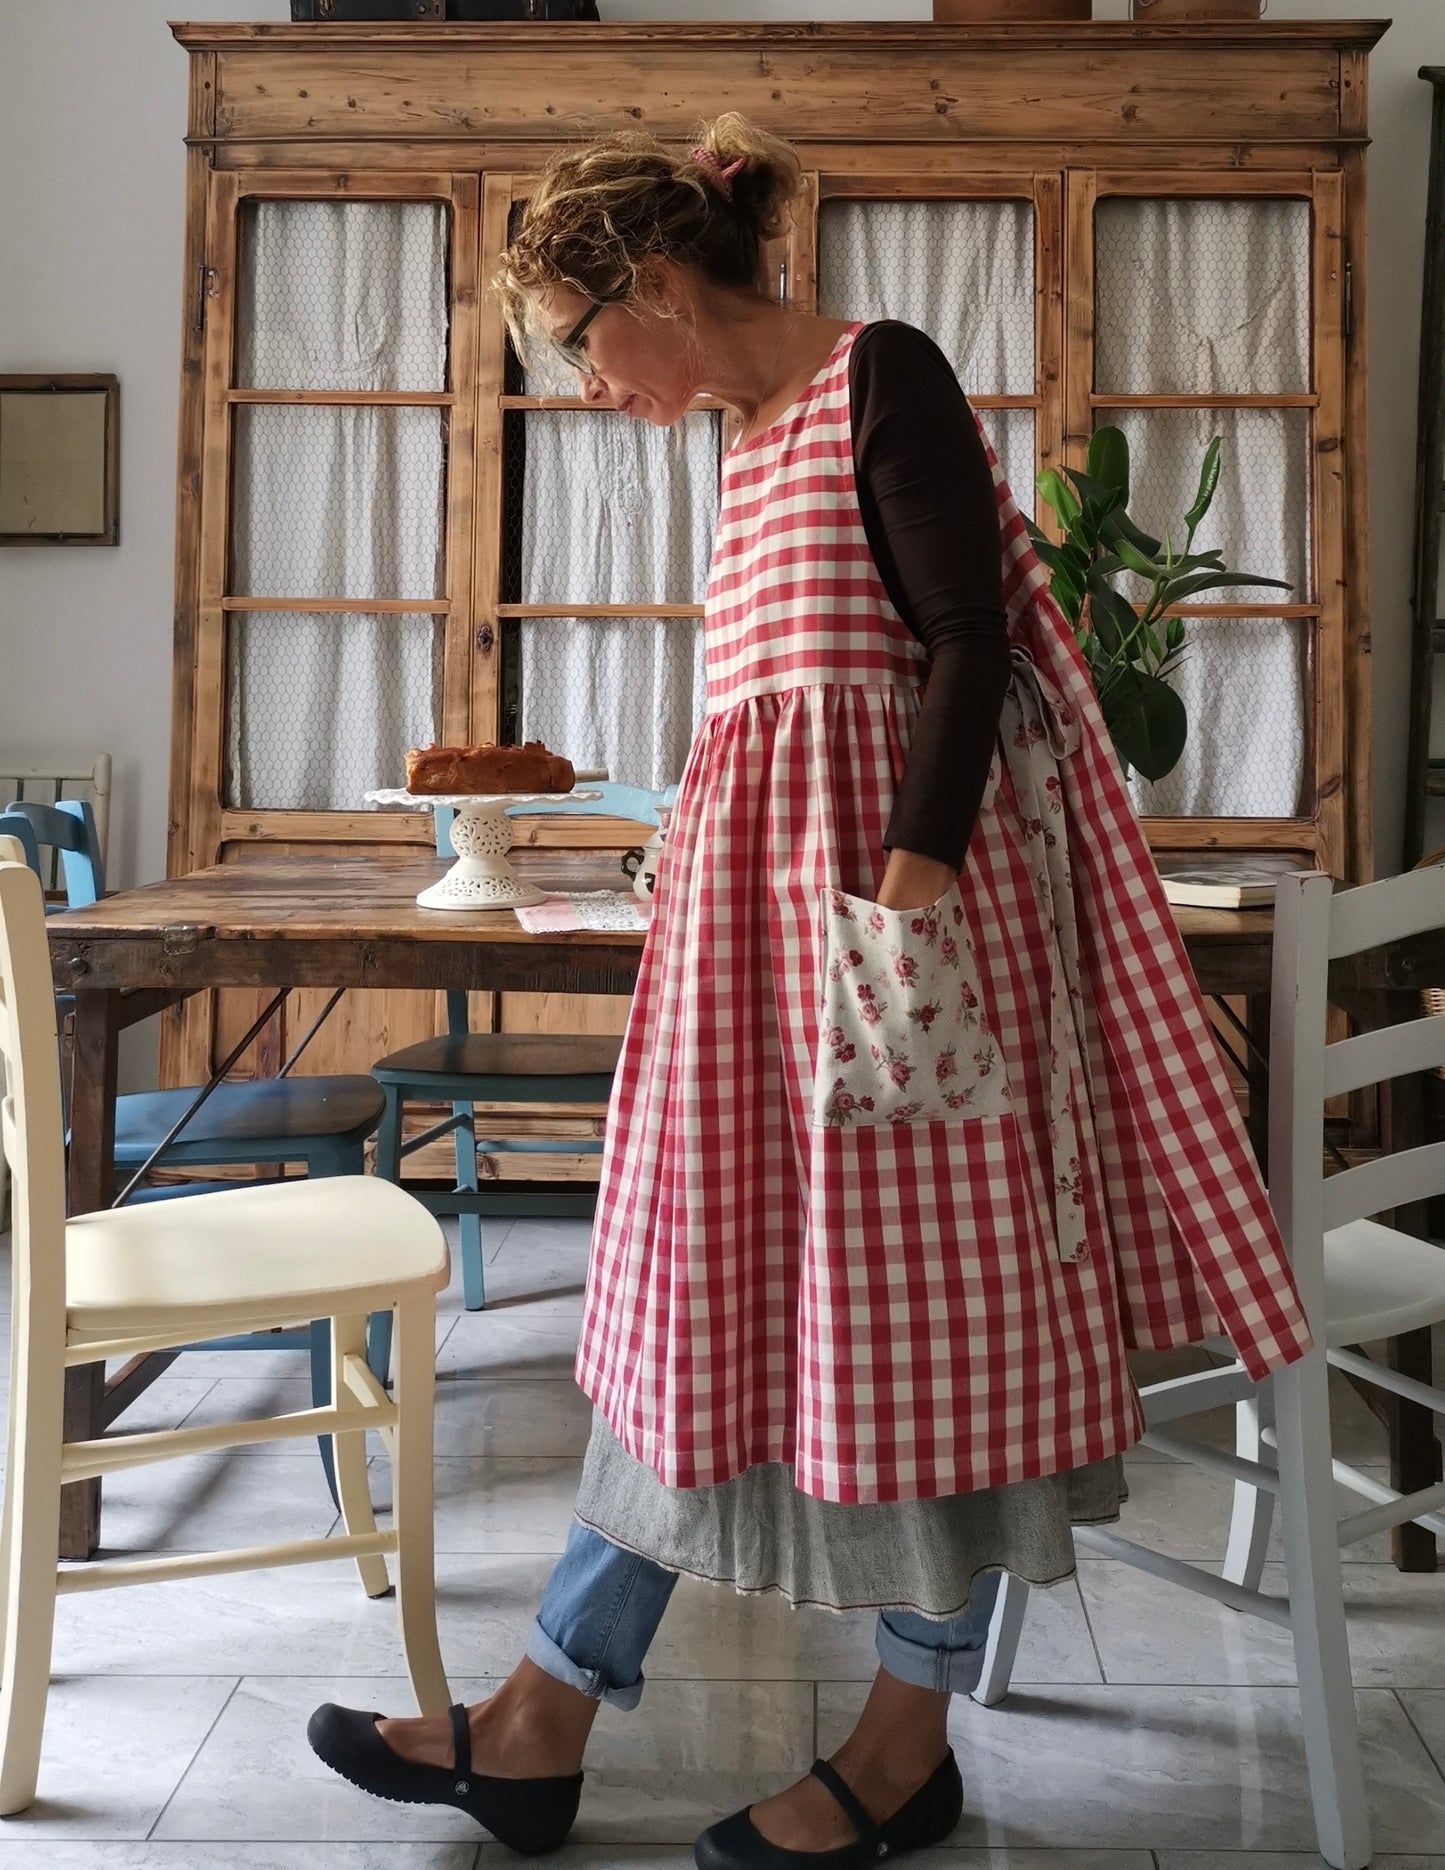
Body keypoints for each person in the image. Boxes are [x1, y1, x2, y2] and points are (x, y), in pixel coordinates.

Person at [308, 115, 1312, 1867]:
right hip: (769, 979)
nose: (579, 378)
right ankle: (544, 1712)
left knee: (920, 1334)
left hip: (893, 965)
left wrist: (896, 908)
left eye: (574, 336)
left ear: (658, 285)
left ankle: (894, 1743)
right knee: (706, 1316)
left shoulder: (878, 377)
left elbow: (968, 641)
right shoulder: (744, 438)